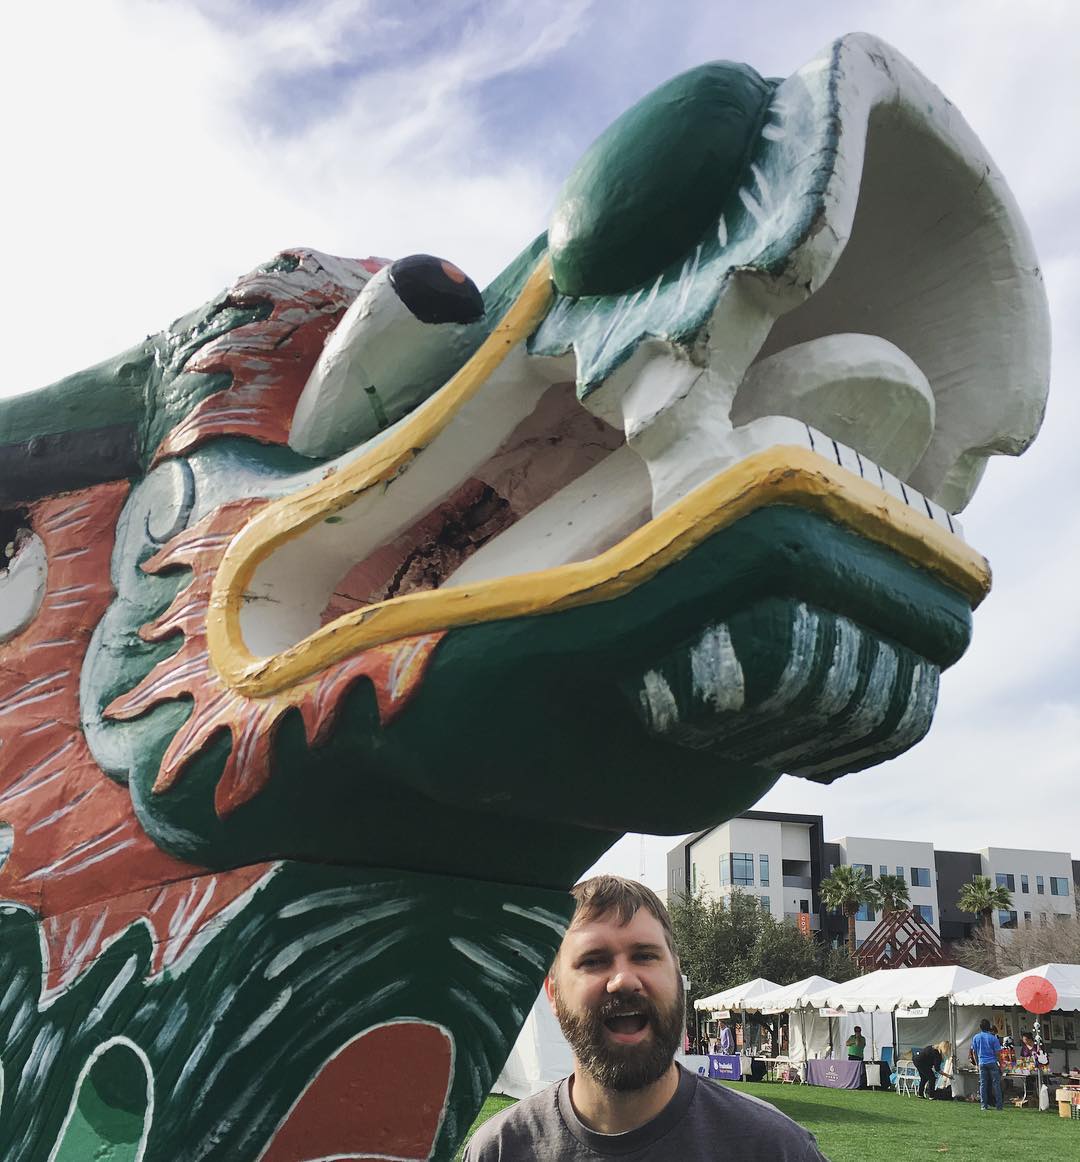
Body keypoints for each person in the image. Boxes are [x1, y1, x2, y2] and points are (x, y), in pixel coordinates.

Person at [464, 876, 828, 1160]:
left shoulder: (774, 1150)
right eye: (594, 960)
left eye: (645, 956)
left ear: (677, 977)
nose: (623, 980)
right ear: (553, 994)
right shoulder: (500, 1151)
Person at [970, 1019, 1004, 1111]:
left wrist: (977, 1064)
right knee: (996, 1084)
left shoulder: (976, 1037)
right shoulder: (993, 1038)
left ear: (980, 1027)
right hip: (992, 1062)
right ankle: (999, 1105)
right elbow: (998, 1053)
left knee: (983, 1084)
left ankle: (983, 1105)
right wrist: (1001, 1064)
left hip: (982, 1063)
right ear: (989, 1027)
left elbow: (974, 1052)